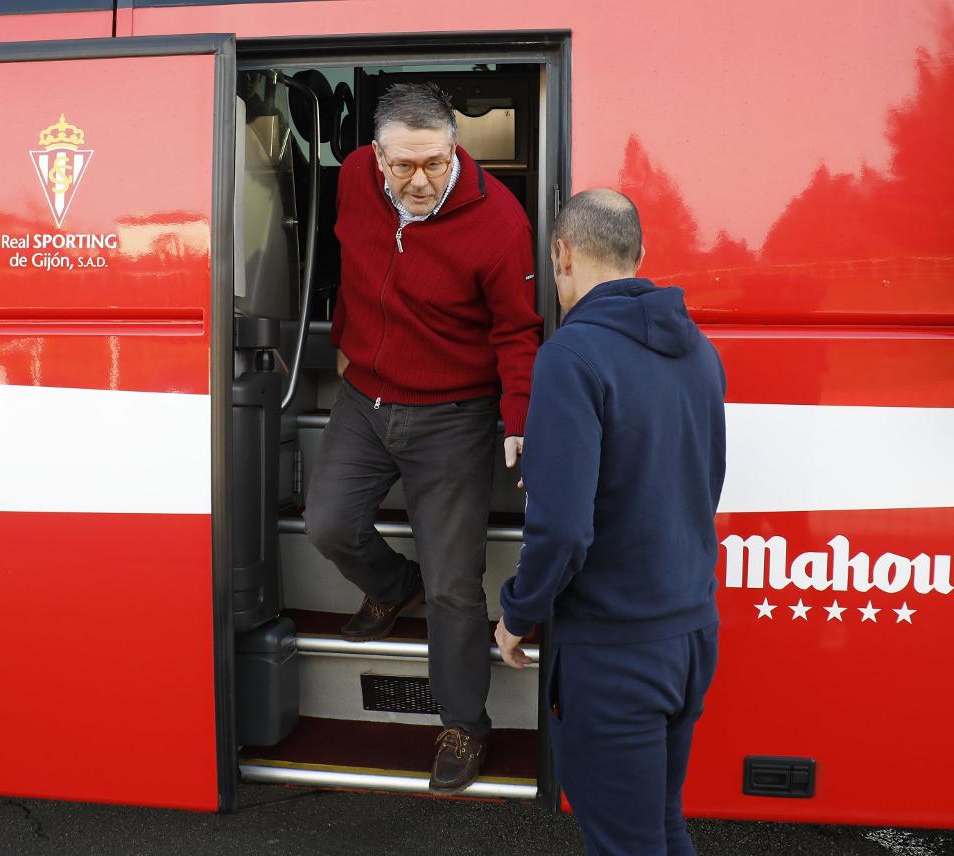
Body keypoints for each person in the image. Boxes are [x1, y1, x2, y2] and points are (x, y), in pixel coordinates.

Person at [303, 82, 543, 794]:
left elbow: (517, 330)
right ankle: (389, 582)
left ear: (454, 148)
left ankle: (465, 724)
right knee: (327, 525)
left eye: (434, 163)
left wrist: (521, 418)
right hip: (364, 397)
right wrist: (347, 342)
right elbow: (351, 263)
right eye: (402, 165)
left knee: (455, 587)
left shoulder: (498, 220)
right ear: (375, 156)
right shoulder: (352, 178)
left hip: (453, 413)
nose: (418, 180)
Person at [495, 188, 726, 855]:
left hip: (614, 651)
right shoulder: (699, 352)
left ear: (560, 254)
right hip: (688, 633)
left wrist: (518, 611)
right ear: (640, 256)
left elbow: (563, 528)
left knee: (627, 844)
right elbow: (697, 484)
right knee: (657, 829)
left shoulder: (572, 356)